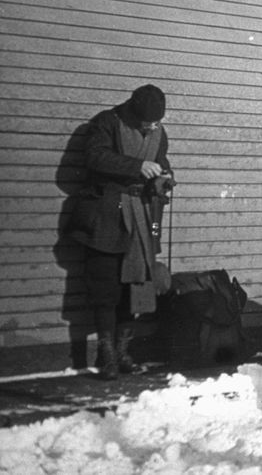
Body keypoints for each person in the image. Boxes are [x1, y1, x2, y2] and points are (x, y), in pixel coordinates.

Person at [68, 84, 175, 380]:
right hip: (106, 218)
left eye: (157, 122)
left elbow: (162, 163)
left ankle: (123, 353)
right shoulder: (107, 123)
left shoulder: (157, 133)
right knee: (106, 291)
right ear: (132, 113)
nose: (153, 127)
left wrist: (165, 178)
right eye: (148, 122)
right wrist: (137, 166)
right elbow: (95, 157)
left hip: (141, 218)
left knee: (136, 289)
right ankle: (107, 357)